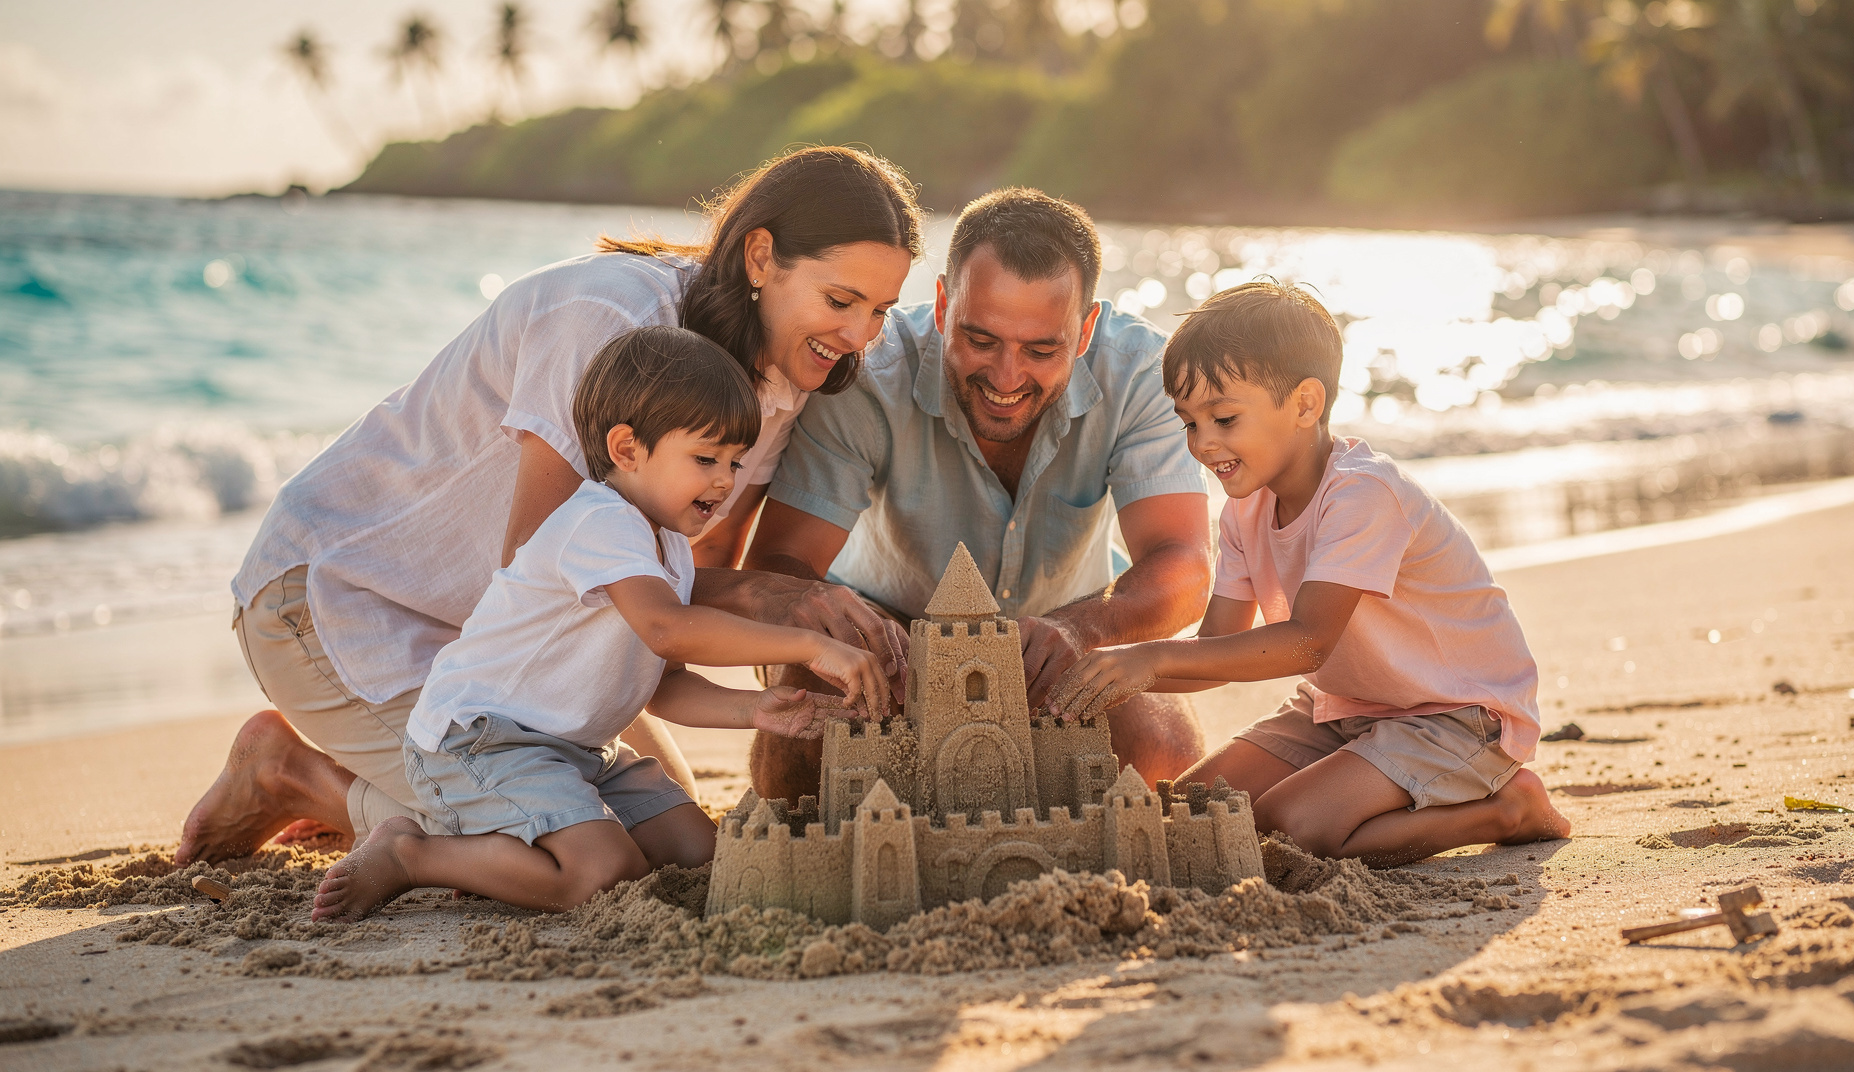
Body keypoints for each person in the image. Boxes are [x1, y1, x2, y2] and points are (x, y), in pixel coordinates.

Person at [178, 146, 922, 865]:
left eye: (881, 310)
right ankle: (289, 774)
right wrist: (780, 600)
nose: (858, 336)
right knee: (555, 840)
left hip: (515, 646)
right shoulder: (612, 318)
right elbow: (539, 567)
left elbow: (681, 585)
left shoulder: (790, 373)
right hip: (342, 599)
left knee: (669, 831)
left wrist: (778, 648)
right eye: (840, 301)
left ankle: (374, 776)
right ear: (761, 257)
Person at [311, 327, 888, 921]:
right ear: (627, 449)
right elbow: (667, 629)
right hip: (480, 739)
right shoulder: (599, 522)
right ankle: (411, 855)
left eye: (735, 463)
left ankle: (510, 855)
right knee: (603, 872)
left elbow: (663, 684)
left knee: (699, 853)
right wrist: (809, 644)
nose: (724, 481)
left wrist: (755, 708)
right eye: (705, 459)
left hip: (575, 748)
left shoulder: (668, 544)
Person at [1045, 281, 1571, 867]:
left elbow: (1308, 642)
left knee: (1290, 830)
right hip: (1347, 707)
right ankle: (1372, 790)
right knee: (1195, 810)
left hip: (1458, 716)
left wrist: (1154, 658)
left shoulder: (1363, 494)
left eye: (1223, 418)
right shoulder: (1245, 510)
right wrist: (1105, 669)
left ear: (1304, 404)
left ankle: (1507, 809)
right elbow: (1215, 649)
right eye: (1189, 423)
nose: (1203, 444)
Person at [728, 188, 1213, 803]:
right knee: (797, 769)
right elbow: (780, 565)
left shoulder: (1139, 370)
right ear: (940, 306)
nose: (1006, 378)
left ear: (1086, 329)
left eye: (1041, 350)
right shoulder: (869, 376)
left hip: (1073, 629)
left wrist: (1077, 629)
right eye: (980, 340)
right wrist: (841, 635)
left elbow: (1186, 566)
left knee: (1160, 760)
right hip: (889, 632)